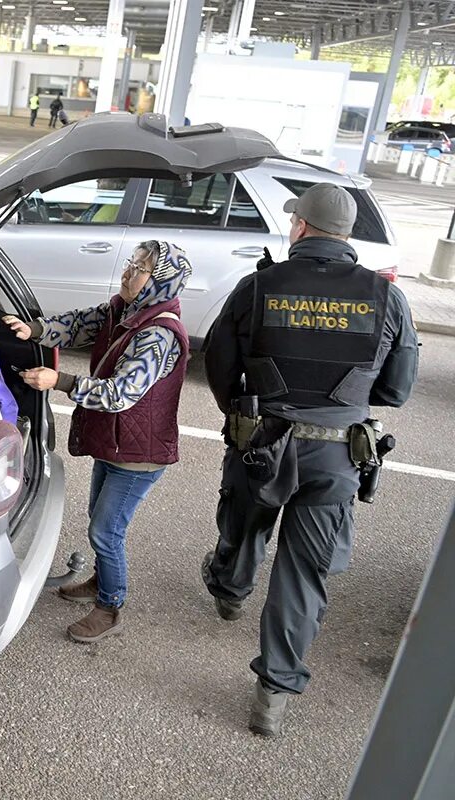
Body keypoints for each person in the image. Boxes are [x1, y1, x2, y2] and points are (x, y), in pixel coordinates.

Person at [201, 182, 418, 737]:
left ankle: (229, 591)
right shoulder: (386, 298)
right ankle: (272, 694)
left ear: (300, 229)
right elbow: (396, 391)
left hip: (263, 444)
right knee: (303, 575)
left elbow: (221, 366)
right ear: (346, 235)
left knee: (245, 522)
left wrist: (241, 414)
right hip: (338, 456)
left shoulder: (258, 287)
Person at [4, 240, 193, 643]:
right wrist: (35, 329)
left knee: (107, 532)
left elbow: (120, 394)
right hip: (117, 442)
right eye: (131, 263)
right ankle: (99, 580)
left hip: (139, 455)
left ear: (159, 282)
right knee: (99, 520)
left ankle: (110, 607)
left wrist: (61, 382)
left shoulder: (158, 335)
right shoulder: (123, 311)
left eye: (140, 268)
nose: (129, 272)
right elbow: (78, 324)